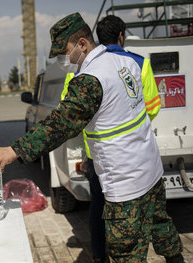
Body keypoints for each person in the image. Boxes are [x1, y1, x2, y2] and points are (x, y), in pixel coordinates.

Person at [0, 13, 184, 263]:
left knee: (126, 253)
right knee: (162, 227)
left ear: (82, 44)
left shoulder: (90, 79)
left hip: (124, 185)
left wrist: (13, 150)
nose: (61, 60)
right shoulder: (126, 62)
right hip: (151, 171)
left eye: (63, 52)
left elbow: (60, 125)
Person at [60, 15, 162, 262]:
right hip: (137, 155)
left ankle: (99, 257)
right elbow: (152, 107)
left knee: (99, 209)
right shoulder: (138, 63)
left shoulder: (78, 74)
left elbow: (68, 115)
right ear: (121, 36)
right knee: (142, 212)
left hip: (98, 157)